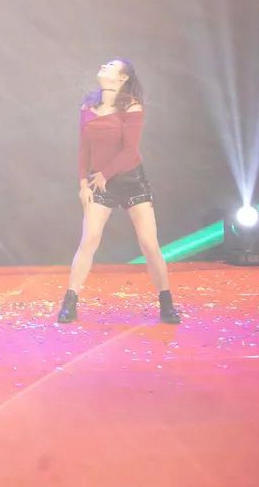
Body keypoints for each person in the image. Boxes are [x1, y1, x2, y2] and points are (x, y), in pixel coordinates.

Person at [57, 60, 181, 324]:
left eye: (111, 65)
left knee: (149, 244)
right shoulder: (88, 106)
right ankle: (70, 301)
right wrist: (83, 183)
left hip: (130, 180)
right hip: (98, 182)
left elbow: (130, 151)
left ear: (122, 78)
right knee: (89, 240)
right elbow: (84, 148)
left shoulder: (131, 106)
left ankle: (166, 302)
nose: (104, 66)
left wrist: (104, 174)